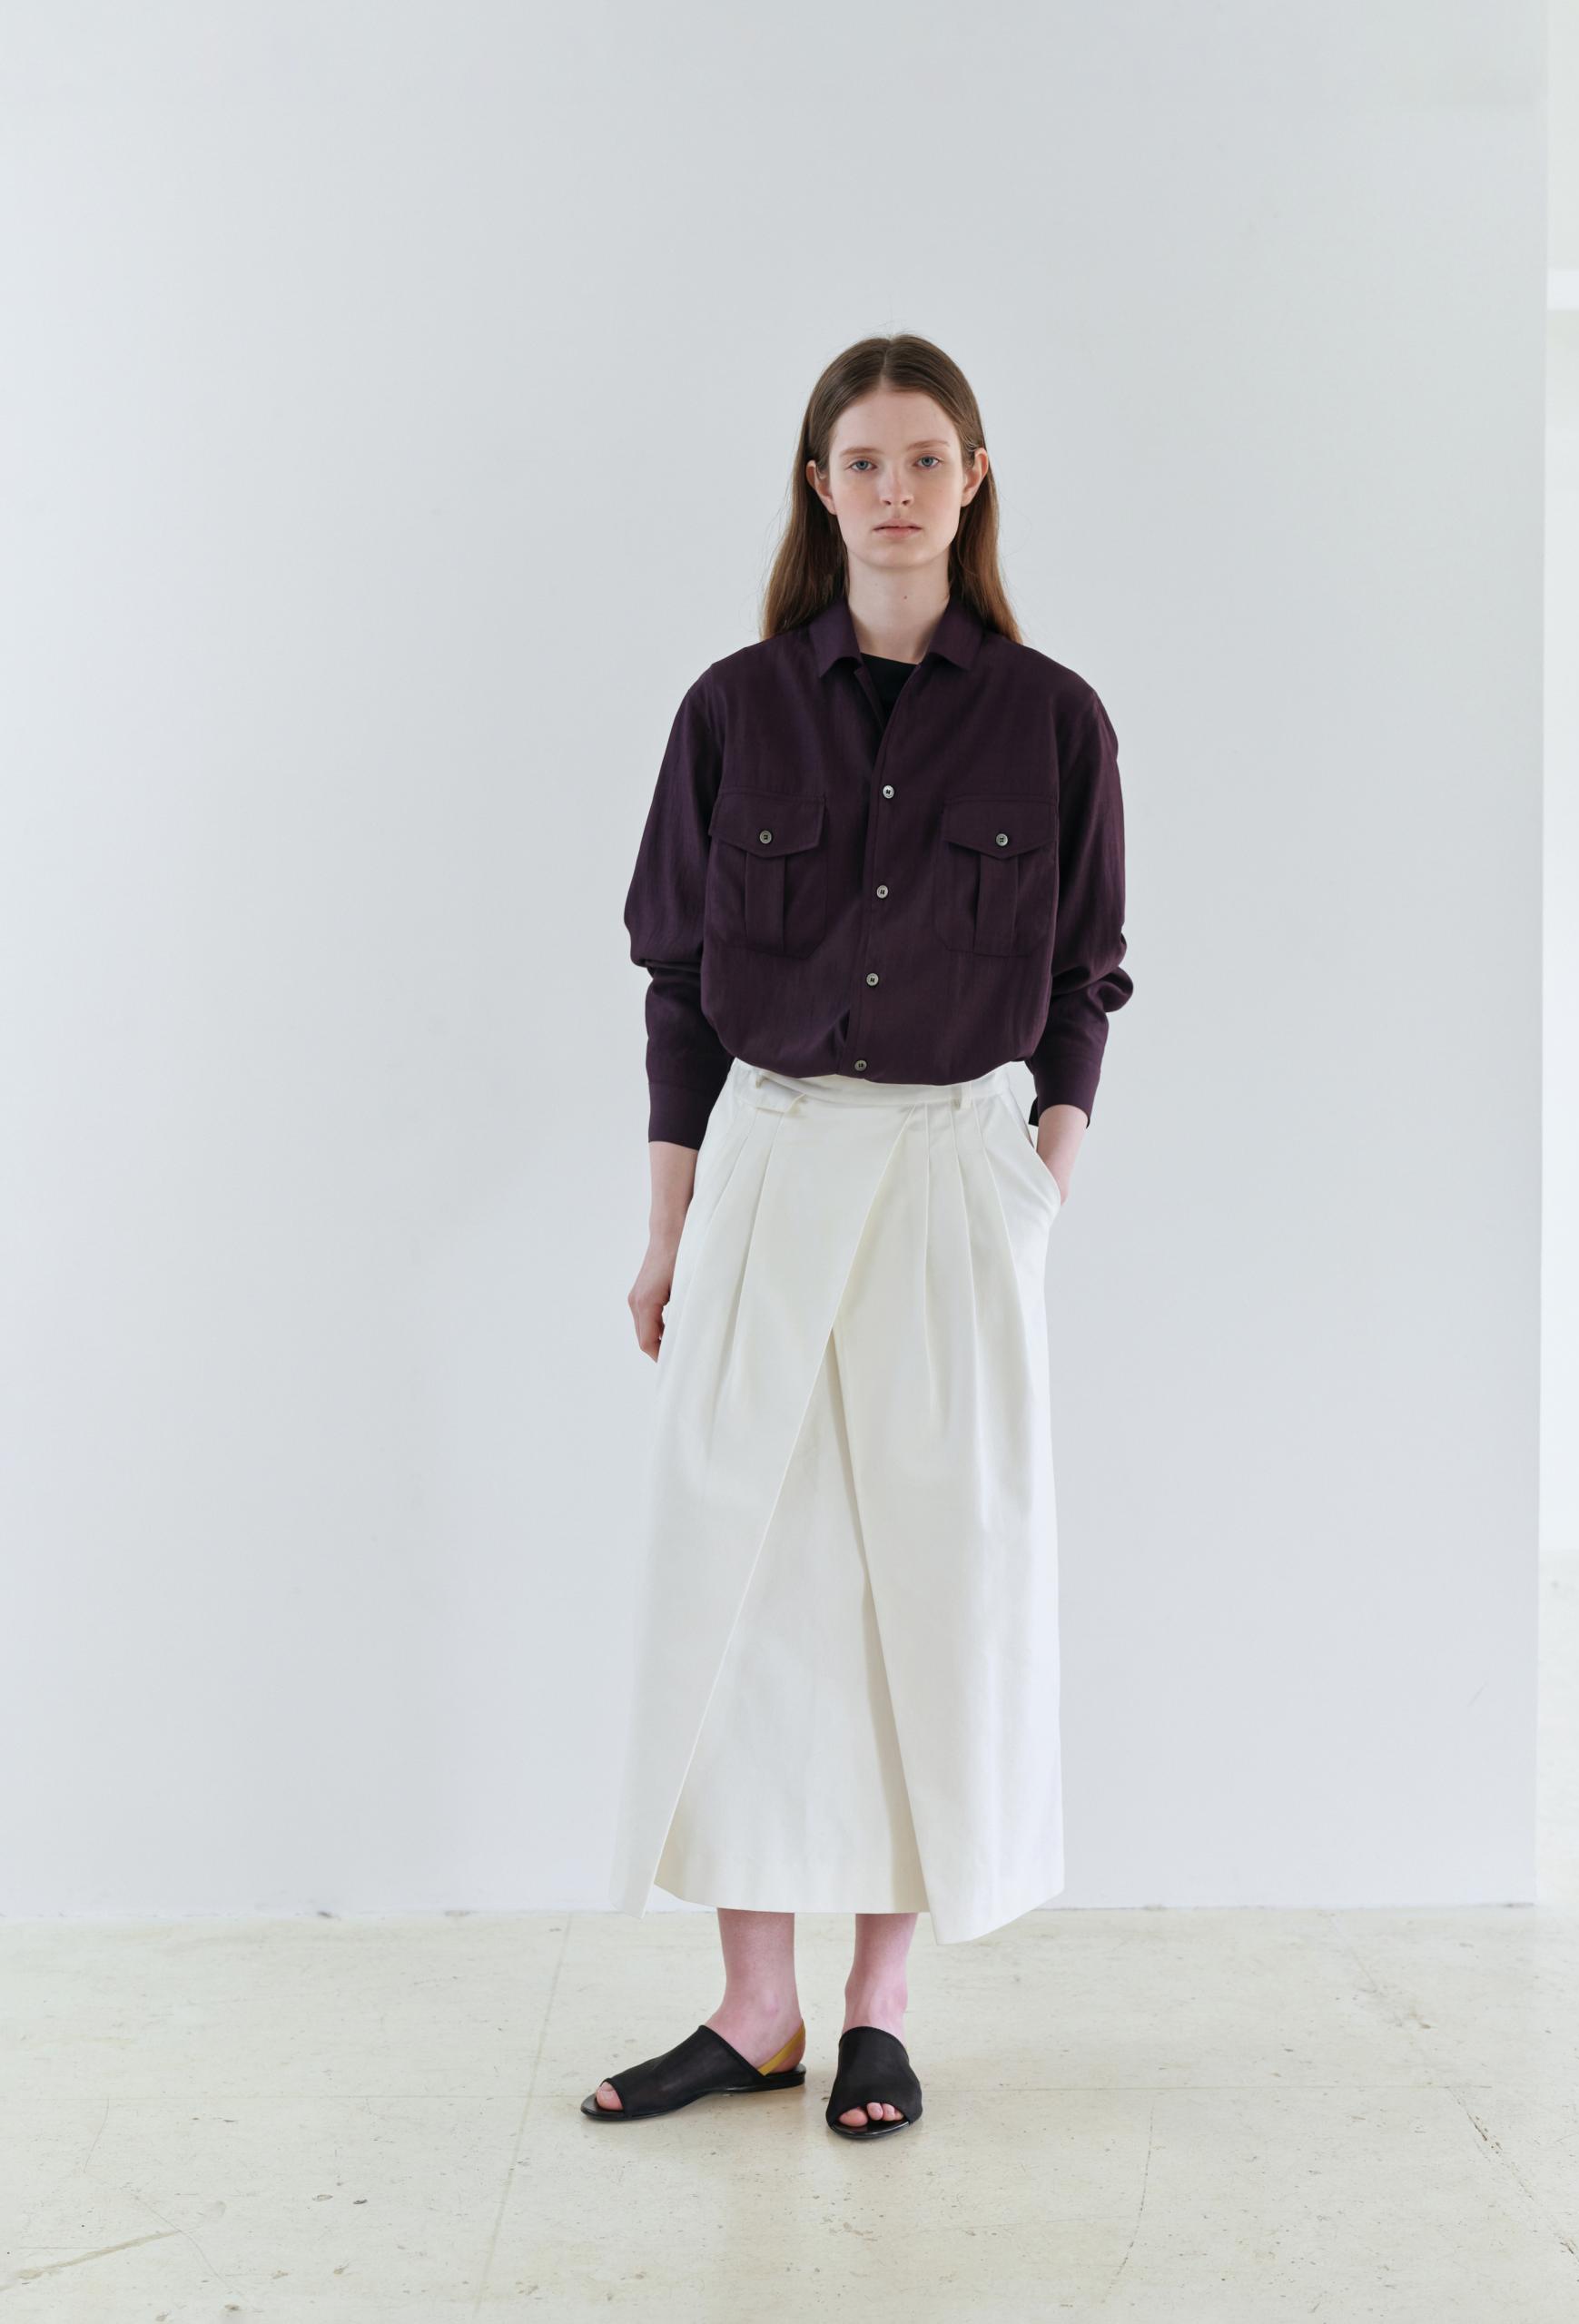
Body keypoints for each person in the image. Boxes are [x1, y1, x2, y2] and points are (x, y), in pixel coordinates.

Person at [584, 332, 1132, 2141]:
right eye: (863, 462)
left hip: (951, 1178)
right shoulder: (735, 708)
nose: (896, 491)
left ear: (974, 479)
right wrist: (667, 1230)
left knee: (930, 1579)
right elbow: (678, 981)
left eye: (926, 459)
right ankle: (755, 2008)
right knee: (742, 1573)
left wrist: (1043, 1170)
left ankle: (880, 2007)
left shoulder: (1051, 718)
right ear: (819, 487)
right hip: (769, 1157)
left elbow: (1085, 976)